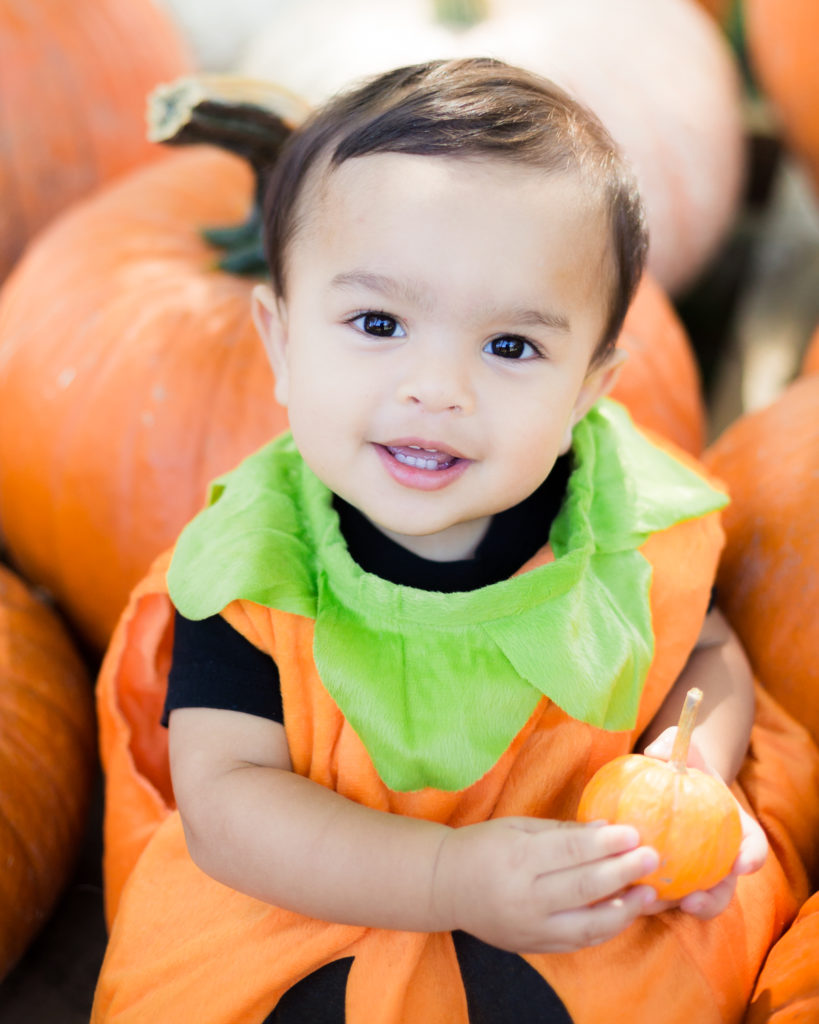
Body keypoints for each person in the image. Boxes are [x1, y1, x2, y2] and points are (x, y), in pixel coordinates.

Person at [92, 58, 819, 1024]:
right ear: (278, 342)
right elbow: (230, 808)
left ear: (589, 391)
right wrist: (445, 876)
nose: (437, 388)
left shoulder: (616, 520)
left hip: (569, 898)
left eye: (510, 347)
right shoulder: (255, 565)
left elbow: (709, 652)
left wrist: (687, 775)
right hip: (306, 903)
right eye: (379, 321)